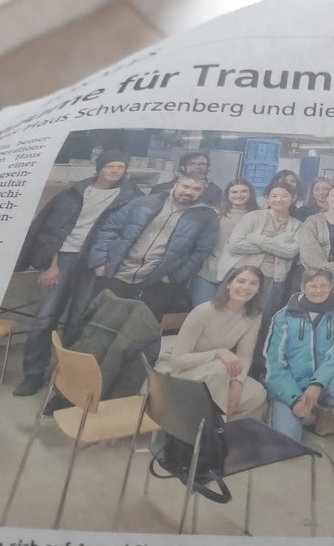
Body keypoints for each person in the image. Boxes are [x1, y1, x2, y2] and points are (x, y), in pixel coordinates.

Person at [13, 150, 142, 396]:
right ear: (99, 167)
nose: (115, 171)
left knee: (79, 322)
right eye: (110, 166)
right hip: (63, 259)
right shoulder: (73, 193)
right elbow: (50, 229)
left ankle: (65, 379)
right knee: (44, 319)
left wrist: (108, 263)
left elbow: (129, 233)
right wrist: (50, 264)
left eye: (121, 167)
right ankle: (33, 376)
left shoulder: (131, 198)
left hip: (94, 263)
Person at [87, 173, 219, 321]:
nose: (189, 192)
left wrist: (177, 275)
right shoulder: (145, 202)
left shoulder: (206, 217)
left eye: (196, 189)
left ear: (202, 193)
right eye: (185, 186)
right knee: (98, 321)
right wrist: (100, 261)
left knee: (137, 328)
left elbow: (202, 251)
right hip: (116, 273)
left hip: (157, 283)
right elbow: (110, 229)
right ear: (175, 185)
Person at [155, 266, 266, 418]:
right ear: (228, 284)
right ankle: (209, 426)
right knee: (220, 369)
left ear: (258, 289)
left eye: (253, 283)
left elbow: (244, 356)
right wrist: (217, 353)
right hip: (177, 370)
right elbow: (176, 361)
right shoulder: (204, 311)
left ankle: (213, 422)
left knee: (257, 393)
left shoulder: (254, 317)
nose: (246, 287)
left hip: (215, 372)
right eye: (241, 281)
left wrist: (237, 382)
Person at [264, 268, 334, 441]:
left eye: (324, 286)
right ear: (303, 287)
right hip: (291, 382)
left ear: (332, 287)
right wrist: (294, 400)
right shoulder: (283, 316)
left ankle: (323, 409)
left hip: (321, 383)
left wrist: (317, 384)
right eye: (312, 286)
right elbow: (273, 364)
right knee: (288, 439)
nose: (318, 290)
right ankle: (290, 407)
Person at [218, 183, 301, 348]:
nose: (279, 199)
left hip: (273, 279)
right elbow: (235, 245)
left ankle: (252, 358)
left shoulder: (297, 225)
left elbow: (291, 252)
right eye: (274, 196)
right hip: (243, 273)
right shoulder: (253, 217)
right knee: (229, 314)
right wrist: (277, 245)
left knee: (262, 320)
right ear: (267, 199)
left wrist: (256, 239)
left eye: (284, 196)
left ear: (293, 199)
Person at [190, 178, 260, 307]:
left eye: (243, 191)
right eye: (234, 192)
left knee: (227, 313)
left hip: (237, 274)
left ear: (250, 194)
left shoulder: (259, 218)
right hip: (207, 271)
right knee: (201, 311)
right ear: (227, 195)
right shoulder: (216, 214)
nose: (239, 195)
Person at [149, 151, 223, 207]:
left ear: (207, 167)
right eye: (192, 163)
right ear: (182, 167)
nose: (198, 167)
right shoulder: (161, 189)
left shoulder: (214, 191)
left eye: (202, 164)